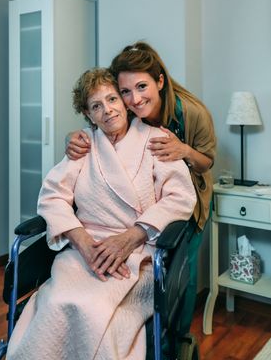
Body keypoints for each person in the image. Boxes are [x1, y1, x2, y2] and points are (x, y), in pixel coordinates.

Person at [6, 68, 196, 360]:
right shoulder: (83, 146)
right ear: (88, 114)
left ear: (123, 101)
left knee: (96, 310)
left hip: (137, 256)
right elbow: (52, 196)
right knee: (57, 302)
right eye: (96, 106)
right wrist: (80, 239)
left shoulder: (155, 140)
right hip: (84, 253)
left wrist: (134, 236)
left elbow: (181, 197)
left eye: (112, 99)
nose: (107, 110)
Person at [66, 42, 216, 336]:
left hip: (192, 196)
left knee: (180, 270)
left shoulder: (194, 113)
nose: (134, 99)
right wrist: (74, 137)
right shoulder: (128, 113)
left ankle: (178, 338)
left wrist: (183, 149)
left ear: (160, 81)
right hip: (149, 208)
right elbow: (100, 124)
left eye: (142, 86)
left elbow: (207, 161)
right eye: (124, 92)